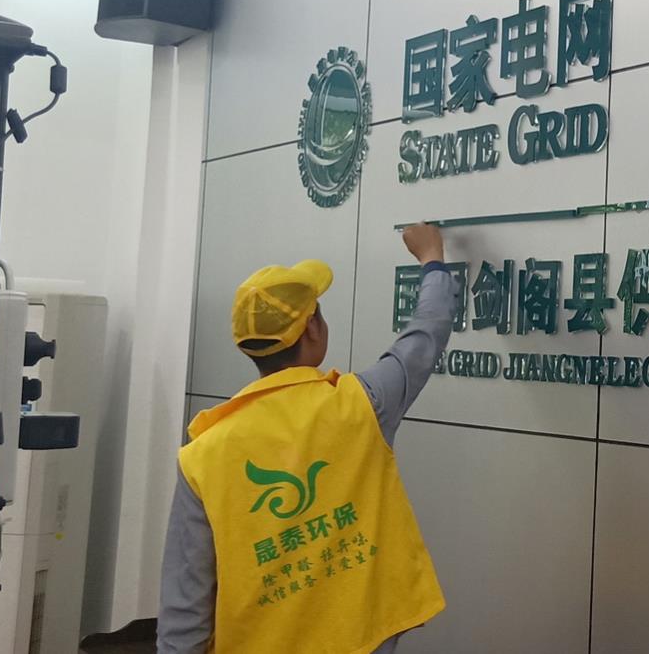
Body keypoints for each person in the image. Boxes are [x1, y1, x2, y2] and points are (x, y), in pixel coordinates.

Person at [157, 224, 459, 654]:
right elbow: (425, 336)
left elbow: (184, 608)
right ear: (313, 328)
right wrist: (432, 259)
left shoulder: (203, 456)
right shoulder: (361, 405)